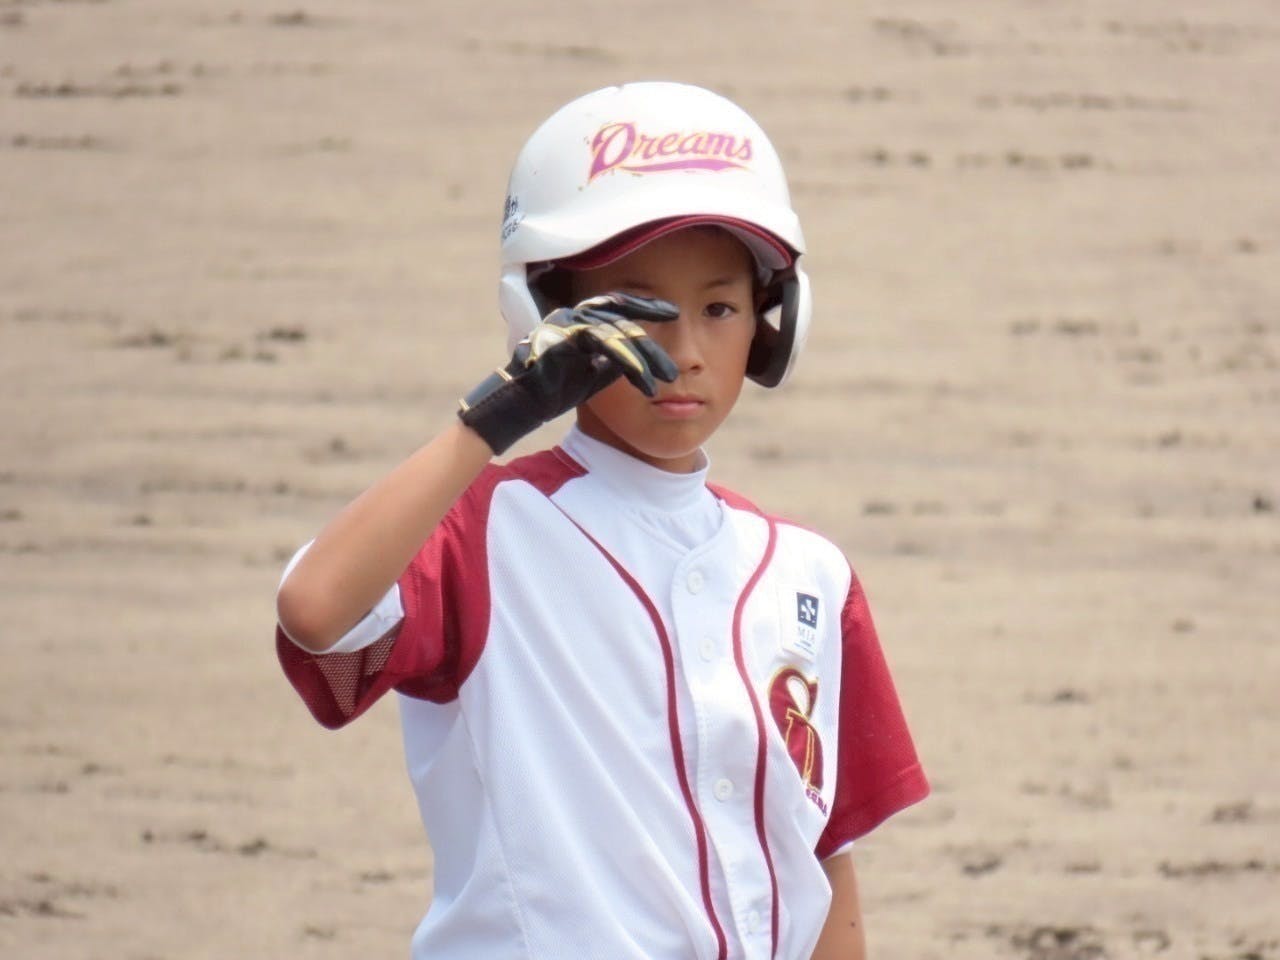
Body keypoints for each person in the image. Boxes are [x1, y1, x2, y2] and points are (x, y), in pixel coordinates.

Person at [275, 81, 928, 960]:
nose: (684, 351)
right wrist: (495, 418)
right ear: (547, 318)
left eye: (719, 309)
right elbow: (315, 611)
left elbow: (819, 852)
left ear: (772, 327)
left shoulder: (808, 573)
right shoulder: (485, 529)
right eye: (637, 311)